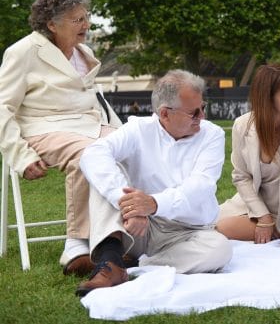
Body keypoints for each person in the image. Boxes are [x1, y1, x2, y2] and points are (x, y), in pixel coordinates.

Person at [75, 70, 232, 296]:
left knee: (220, 250)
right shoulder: (139, 129)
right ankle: (111, 258)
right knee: (105, 172)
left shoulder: (212, 134)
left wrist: (153, 203)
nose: (202, 117)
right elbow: (93, 154)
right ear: (165, 114)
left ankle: (124, 265)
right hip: (139, 226)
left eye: (203, 107)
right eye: (194, 112)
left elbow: (201, 186)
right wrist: (129, 204)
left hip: (187, 233)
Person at [0, 0, 121, 276]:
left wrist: (123, 133)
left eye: (86, 17)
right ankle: (77, 244)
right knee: (89, 154)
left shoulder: (84, 52)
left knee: (129, 150)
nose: (86, 25)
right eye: (77, 20)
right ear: (52, 24)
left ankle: (117, 240)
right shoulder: (23, 52)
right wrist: (21, 156)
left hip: (88, 125)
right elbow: (2, 108)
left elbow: (95, 101)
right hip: (43, 128)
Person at [216, 64, 280, 246]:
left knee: (220, 230)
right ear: (267, 98)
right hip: (253, 205)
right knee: (200, 224)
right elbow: (241, 177)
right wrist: (263, 217)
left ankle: (278, 233)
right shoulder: (242, 125)